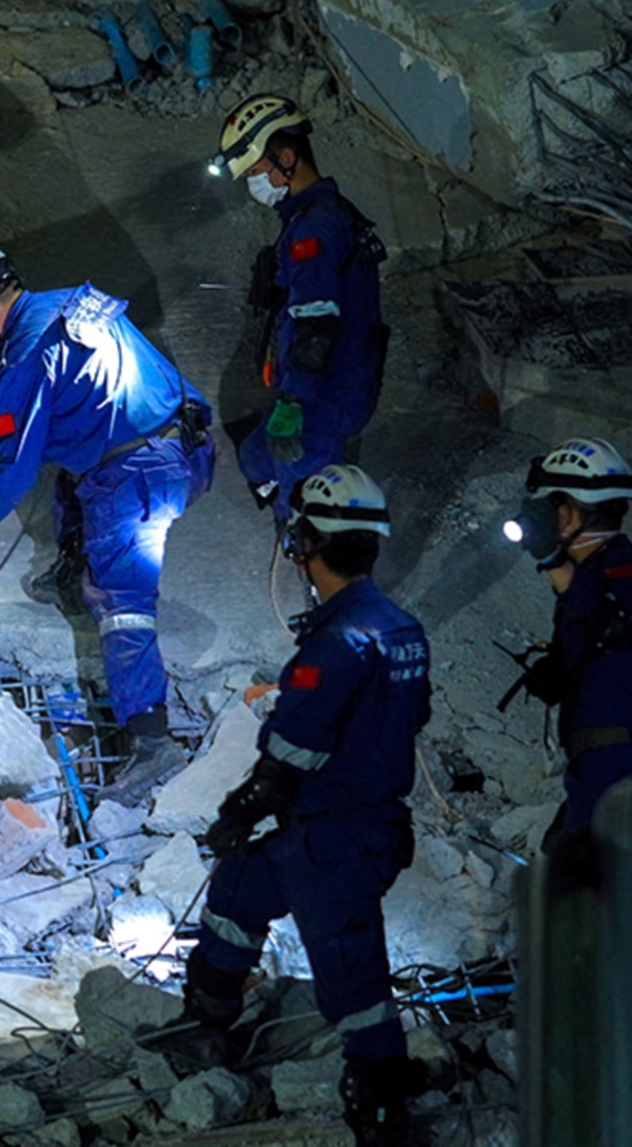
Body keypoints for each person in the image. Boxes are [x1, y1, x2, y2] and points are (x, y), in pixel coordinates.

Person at [140, 465, 429, 1147]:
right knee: (240, 885)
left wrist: (241, 808)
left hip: (336, 836)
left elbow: (293, 750)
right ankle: (204, 1028)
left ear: (306, 542)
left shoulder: (333, 643)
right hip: (354, 825)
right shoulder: (401, 628)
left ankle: (382, 1110)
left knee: (353, 982)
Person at [0, 243, 213, 793]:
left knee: (121, 602)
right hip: (186, 440)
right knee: (73, 481)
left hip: (143, 474)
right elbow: (77, 398)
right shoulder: (68, 303)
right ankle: (72, 571)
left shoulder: (27, 354)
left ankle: (152, 741)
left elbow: (11, 474)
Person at [212, 94, 388, 521]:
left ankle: (310, 561)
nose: (253, 183)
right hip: (328, 380)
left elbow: (315, 330)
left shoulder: (313, 232)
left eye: (255, 171)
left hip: (321, 396)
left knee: (303, 507)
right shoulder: (326, 212)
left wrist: (292, 403)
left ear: (286, 157)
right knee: (255, 457)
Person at [503, 438, 632, 847]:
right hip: (608, 763)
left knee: (593, 891)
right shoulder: (597, 571)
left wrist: (552, 559)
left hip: (625, 764)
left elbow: (610, 623)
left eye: (551, 506)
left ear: (567, 514)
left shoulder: (621, 566)